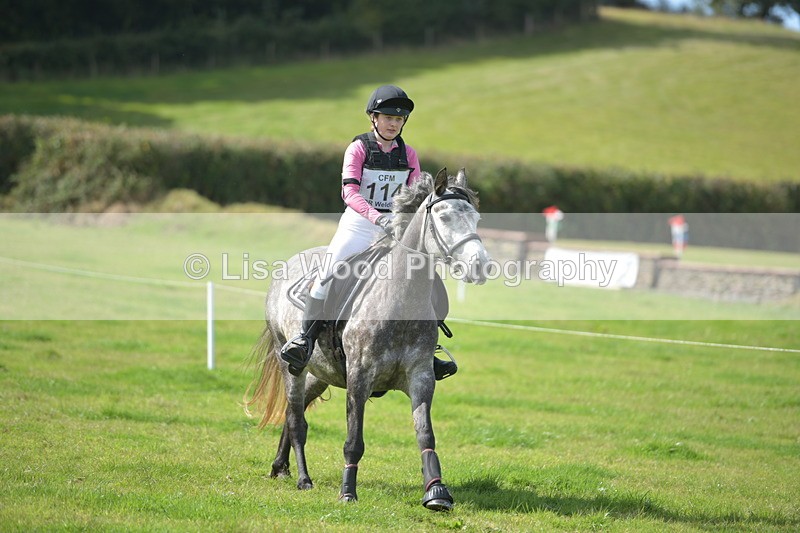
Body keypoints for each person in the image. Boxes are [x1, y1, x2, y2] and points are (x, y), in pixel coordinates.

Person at [280, 85, 457, 380]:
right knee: (329, 272)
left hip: (396, 229)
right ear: (373, 118)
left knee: (429, 282)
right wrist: (378, 218)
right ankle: (304, 340)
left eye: (399, 120)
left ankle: (429, 348)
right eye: (388, 117)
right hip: (359, 225)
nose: (393, 123)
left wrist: (405, 223)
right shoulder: (359, 148)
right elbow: (349, 192)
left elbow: (416, 196)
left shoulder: (408, 154)